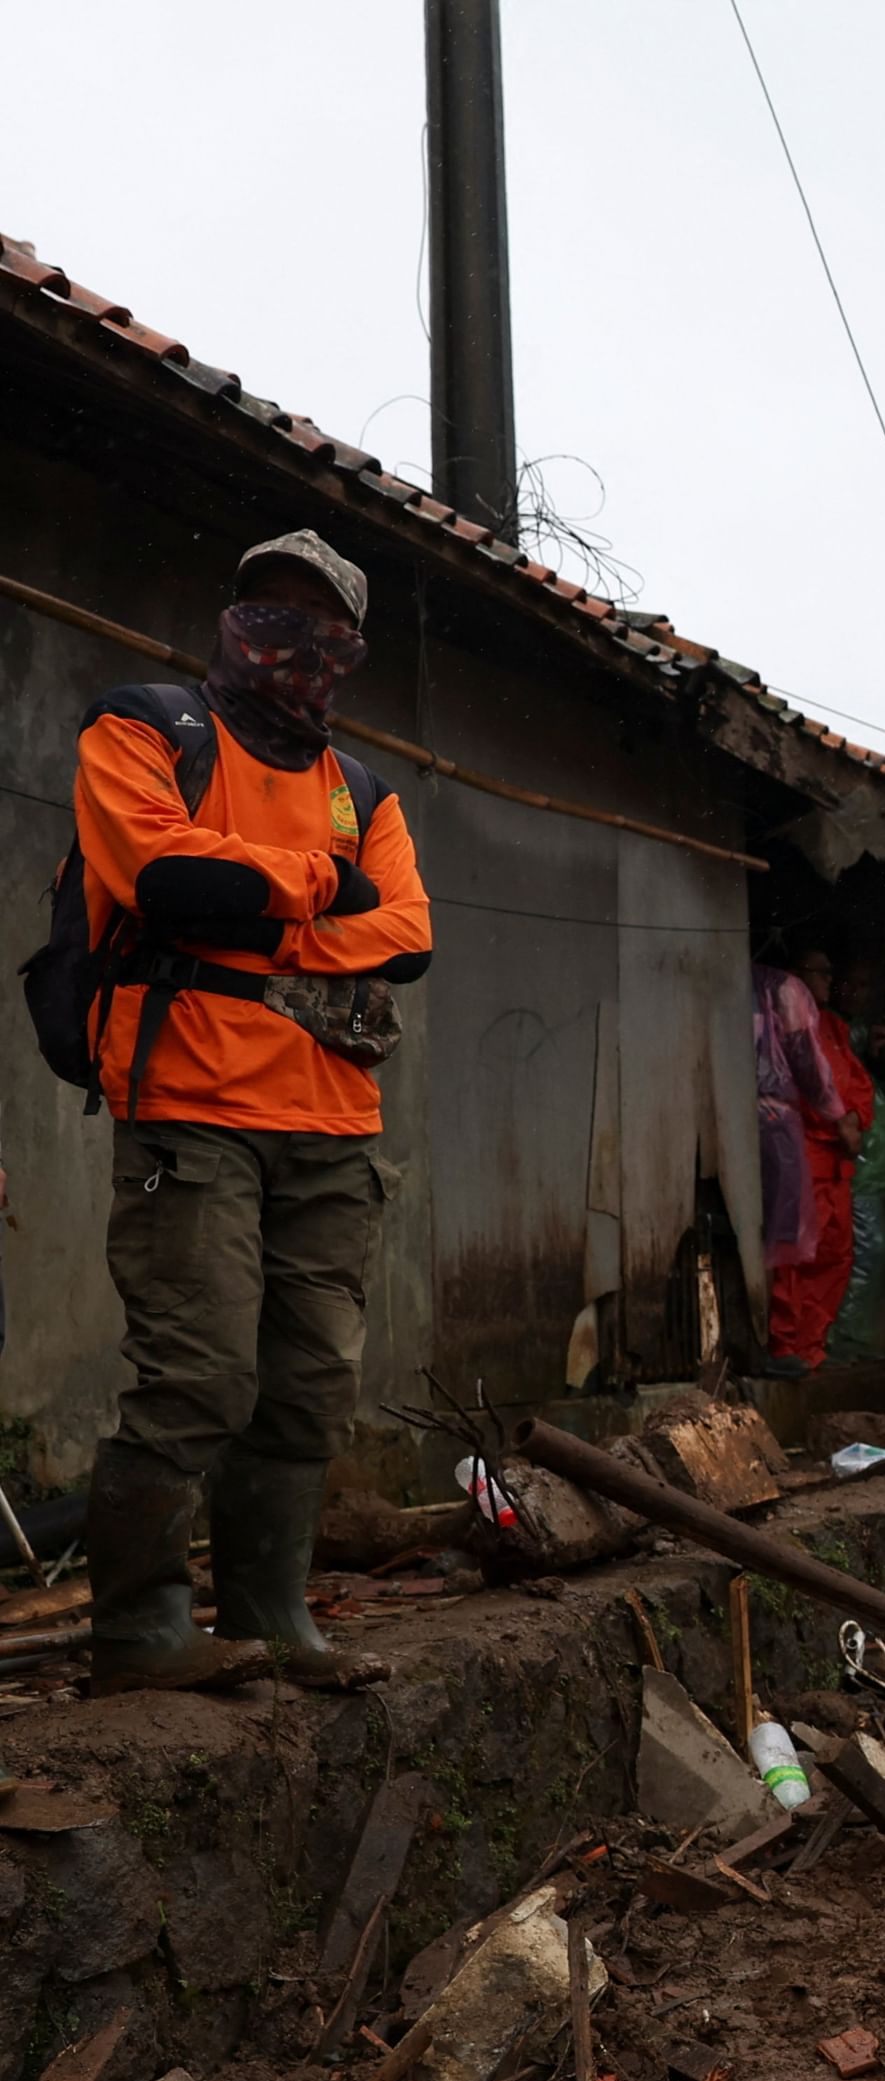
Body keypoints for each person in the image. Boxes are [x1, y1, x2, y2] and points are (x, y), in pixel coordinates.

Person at [69, 530, 432, 1692]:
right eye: (266, 611)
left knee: (309, 1383)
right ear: (231, 618)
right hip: (191, 1103)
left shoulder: (362, 789)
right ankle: (139, 1634)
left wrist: (247, 901)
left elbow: (410, 938)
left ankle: (272, 1620)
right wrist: (324, 887)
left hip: (332, 1124)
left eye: (315, 625)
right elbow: (165, 882)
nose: (285, 639)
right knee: (199, 1374)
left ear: (347, 651)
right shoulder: (145, 727)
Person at [757, 947, 873, 1373]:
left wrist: (856, 1119)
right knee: (796, 1253)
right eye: (820, 973)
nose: (829, 980)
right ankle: (786, 1344)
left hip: (837, 1160)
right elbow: (802, 1085)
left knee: (837, 1254)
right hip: (805, 1154)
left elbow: (859, 1085)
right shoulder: (786, 1023)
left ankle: (811, 1346)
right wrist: (838, 1123)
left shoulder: (835, 1028)